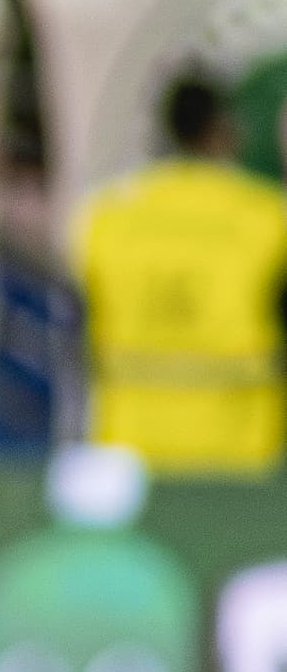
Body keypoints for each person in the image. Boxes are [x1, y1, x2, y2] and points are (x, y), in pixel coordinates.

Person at [68, 76, 287, 473]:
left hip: (130, 447)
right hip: (240, 448)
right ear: (223, 131)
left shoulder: (106, 218)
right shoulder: (268, 217)